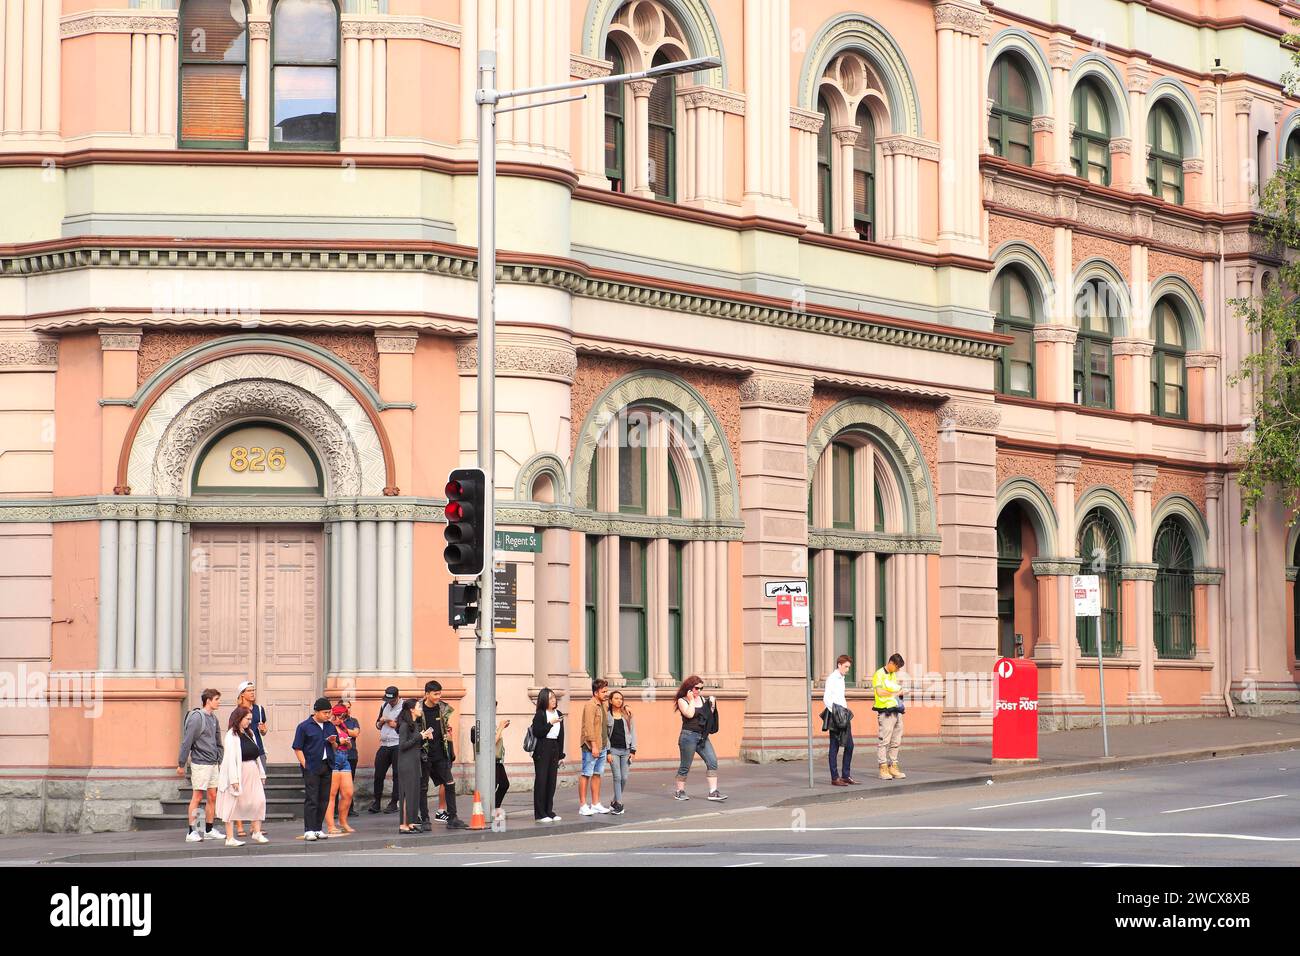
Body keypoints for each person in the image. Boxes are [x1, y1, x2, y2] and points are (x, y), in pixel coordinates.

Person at [417, 680, 469, 830]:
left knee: (449, 784)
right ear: (427, 694)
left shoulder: (443, 708)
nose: (438, 696)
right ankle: (425, 819)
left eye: (440, 693)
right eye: (435, 694)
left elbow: (445, 729)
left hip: (440, 753)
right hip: (425, 754)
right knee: (423, 787)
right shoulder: (418, 710)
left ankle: (453, 818)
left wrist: (450, 748)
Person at [177, 688, 225, 843]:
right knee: (197, 796)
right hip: (200, 763)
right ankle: (192, 831)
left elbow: (218, 742)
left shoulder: (214, 718)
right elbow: (187, 741)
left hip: (212, 763)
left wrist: (219, 758)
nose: (219, 702)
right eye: (217, 699)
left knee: (213, 796)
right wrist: (181, 763)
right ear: (208, 700)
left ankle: (209, 829)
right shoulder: (197, 718)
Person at [216, 705, 268, 846]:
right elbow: (230, 759)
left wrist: (261, 773)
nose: (249, 722)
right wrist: (234, 779)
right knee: (232, 804)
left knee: (259, 801)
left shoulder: (250, 732)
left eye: (250, 719)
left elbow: (257, 755)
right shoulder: (231, 735)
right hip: (239, 772)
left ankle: (257, 832)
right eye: (247, 719)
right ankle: (230, 837)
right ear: (239, 718)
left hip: (252, 771)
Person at [672, 676, 727, 802]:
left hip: (702, 736)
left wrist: (712, 706)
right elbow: (689, 714)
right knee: (685, 765)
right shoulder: (683, 700)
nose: (699, 691)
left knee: (712, 761)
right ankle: (679, 791)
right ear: (689, 688)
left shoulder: (703, 699)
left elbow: (709, 718)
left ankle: (713, 792)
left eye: (701, 688)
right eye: (696, 688)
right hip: (688, 736)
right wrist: (691, 699)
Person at [291, 697, 338, 842]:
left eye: (329, 712)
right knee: (312, 798)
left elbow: (335, 747)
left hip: (327, 764)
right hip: (311, 766)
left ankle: (318, 828)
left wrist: (333, 742)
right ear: (316, 712)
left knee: (324, 798)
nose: (328, 715)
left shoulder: (330, 726)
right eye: (325, 712)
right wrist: (305, 764)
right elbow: (297, 748)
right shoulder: (304, 726)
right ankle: (309, 830)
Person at [233, 680, 268, 837]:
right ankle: (239, 825)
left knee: (257, 790)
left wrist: (264, 729)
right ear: (242, 694)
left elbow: (264, 731)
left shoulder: (260, 710)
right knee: (241, 790)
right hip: (243, 752)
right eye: (249, 690)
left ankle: (255, 826)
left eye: (254, 690)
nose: (253, 693)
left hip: (258, 751)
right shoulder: (238, 711)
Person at [822, 655, 858, 786]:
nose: (847, 669)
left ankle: (846, 775)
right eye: (846, 666)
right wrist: (836, 713)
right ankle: (835, 777)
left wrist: (844, 711)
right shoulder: (832, 678)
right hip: (836, 716)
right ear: (839, 665)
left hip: (844, 715)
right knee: (834, 746)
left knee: (850, 745)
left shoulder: (841, 678)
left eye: (848, 667)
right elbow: (826, 699)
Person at [579, 679, 611, 817]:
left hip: (602, 745)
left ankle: (596, 803)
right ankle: (582, 805)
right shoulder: (590, 705)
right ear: (596, 692)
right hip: (592, 746)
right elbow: (588, 728)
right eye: (603, 691)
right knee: (586, 774)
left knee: (597, 774)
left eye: (606, 691)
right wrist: (593, 746)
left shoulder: (603, 705)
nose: (606, 694)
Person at [470, 700, 510, 813]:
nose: (495, 711)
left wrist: (501, 727)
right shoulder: (484, 722)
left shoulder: (491, 722)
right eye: (493, 708)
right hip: (489, 759)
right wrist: (501, 727)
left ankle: (494, 808)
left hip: (496, 759)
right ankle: (487, 809)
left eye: (495, 708)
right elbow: (491, 742)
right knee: (492, 785)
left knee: (504, 784)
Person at [530, 688, 563, 823]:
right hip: (542, 748)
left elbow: (561, 735)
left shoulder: (559, 713)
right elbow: (538, 732)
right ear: (544, 700)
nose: (554, 700)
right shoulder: (540, 714)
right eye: (550, 698)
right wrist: (550, 723)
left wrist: (561, 755)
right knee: (542, 781)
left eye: (554, 697)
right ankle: (540, 813)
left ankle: (549, 810)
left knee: (551, 781)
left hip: (554, 747)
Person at [368, 685, 403, 813]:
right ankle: (376, 801)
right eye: (388, 700)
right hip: (384, 744)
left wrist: (393, 723)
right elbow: (377, 725)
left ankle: (394, 802)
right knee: (378, 774)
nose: (390, 702)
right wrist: (382, 721)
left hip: (397, 743)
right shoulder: (384, 706)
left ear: (397, 696)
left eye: (392, 700)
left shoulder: (404, 707)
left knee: (397, 775)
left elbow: (405, 725)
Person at [873, 653, 907, 780]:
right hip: (885, 711)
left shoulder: (892, 675)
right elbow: (879, 692)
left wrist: (900, 693)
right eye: (897, 667)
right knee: (884, 741)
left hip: (896, 710)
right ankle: (883, 767)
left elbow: (894, 690)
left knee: (896, 740)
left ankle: (893, 765)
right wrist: (896, 693)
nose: (898, 670)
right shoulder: (879, 674)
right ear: (891, 663)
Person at [323, 703, 356, 834]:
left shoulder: (342, 726)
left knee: (348, 793)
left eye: (343, 717)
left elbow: (349, 747)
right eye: (339, 717)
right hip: (334, 759)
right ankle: (331, 825)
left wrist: (347, 743)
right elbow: (330, 746)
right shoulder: (328, 727)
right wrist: (339, 742)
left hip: (344, 758)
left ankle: (343, 821)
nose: (341, 720)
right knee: (332, 794)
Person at [396, 699, 426, 834]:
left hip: (414, 762)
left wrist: (423, 737)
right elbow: (402, 745)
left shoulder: (414, 725)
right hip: (406, 764)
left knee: (414, 793)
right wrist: (419, 736)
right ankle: (403, 825)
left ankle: (411, 822)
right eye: (419, 706)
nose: (421, 709)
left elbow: (414, 743)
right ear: (412, 710)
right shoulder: (404, 726)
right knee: (406, 793)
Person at [606, 690, 637, 815]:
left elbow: (633, 732)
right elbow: (605, 735)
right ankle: (619, 804)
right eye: (616, 698)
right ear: (610, 700)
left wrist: (633, 750)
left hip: (626, 750)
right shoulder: (607, 715)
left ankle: (614, 801)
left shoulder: (627, 714)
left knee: (624, 778)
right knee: (617, 777)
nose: (619, 700)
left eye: (621, 699)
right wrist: (607, 751)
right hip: (613, 750)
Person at [339, 700, 361, 779]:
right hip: (338, 755)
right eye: (345, 707)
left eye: (349, 707)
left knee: (349, 781)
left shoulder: (353, 721)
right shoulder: (334, 721)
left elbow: (355, 733)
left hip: (351, 755)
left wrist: (344, 729)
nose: (348, 709)